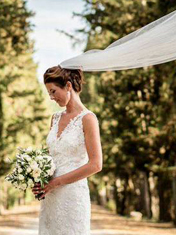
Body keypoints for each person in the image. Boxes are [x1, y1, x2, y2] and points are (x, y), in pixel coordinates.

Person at [33, 66, 103, 235]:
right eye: (49, 93)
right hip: (50, 197)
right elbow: (50, 157)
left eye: (53, 91)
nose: (51, 97)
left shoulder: (88, 119)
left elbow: (95, 165)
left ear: (69, 86)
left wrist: (56, 182)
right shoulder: (55, 118)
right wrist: (39, 179)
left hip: (72, 197)